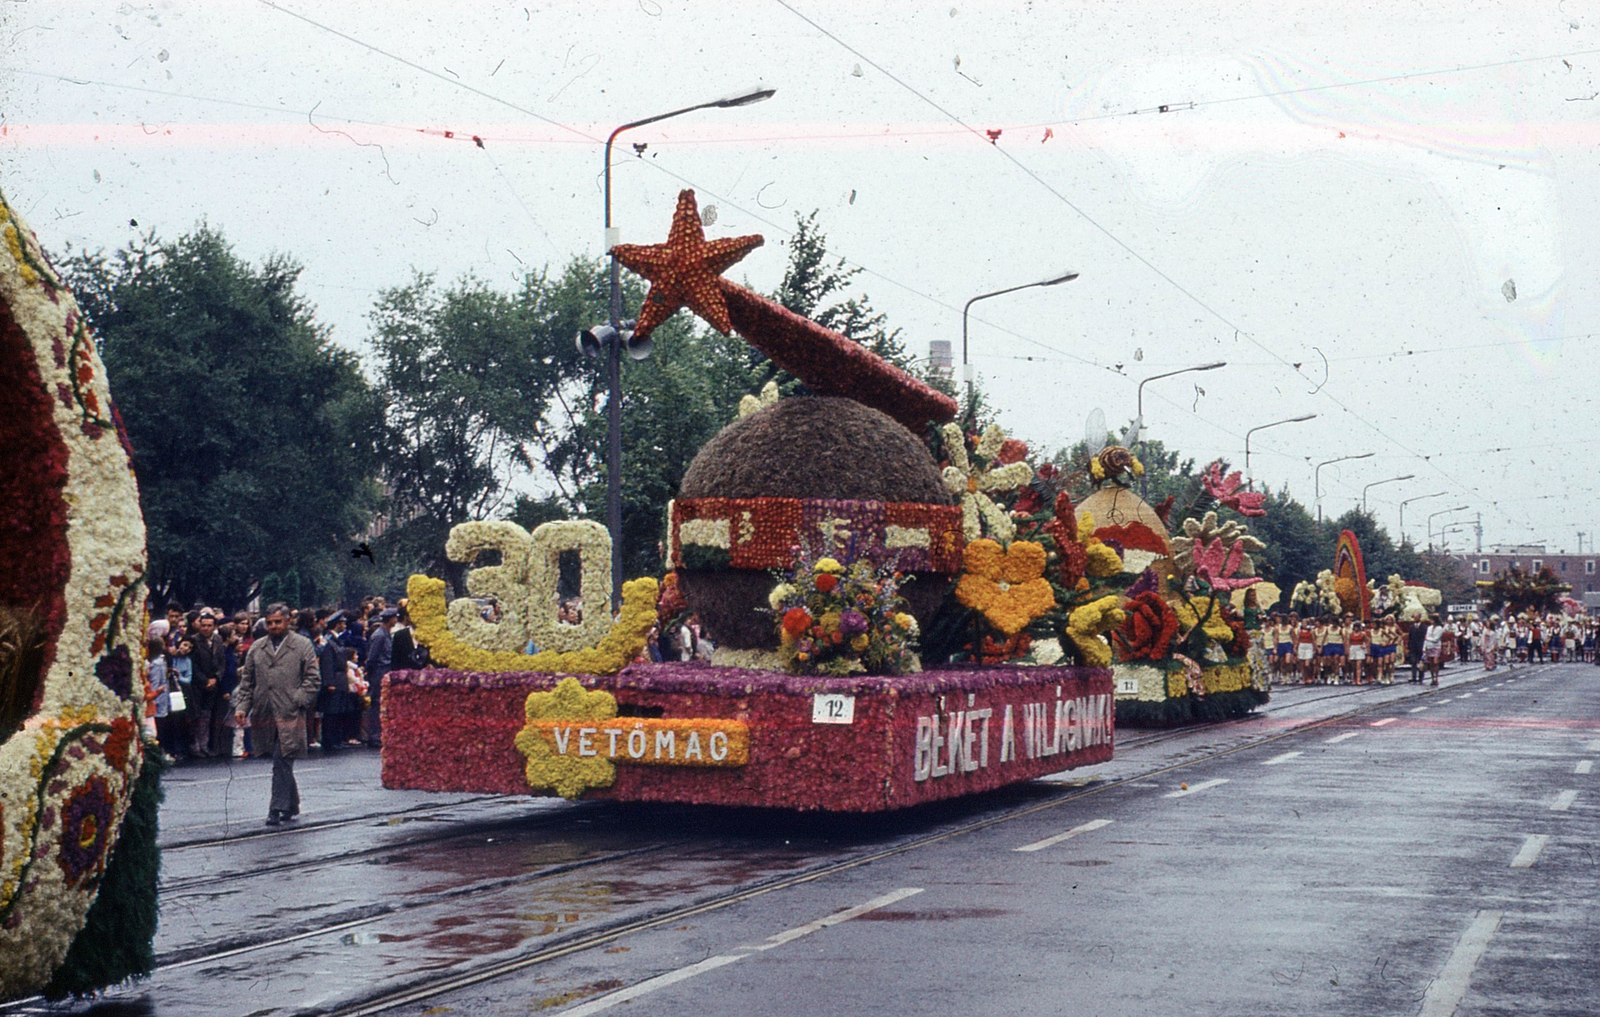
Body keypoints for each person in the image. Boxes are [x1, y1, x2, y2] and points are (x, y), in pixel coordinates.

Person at [233, 603, 320, 826]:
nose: (273, 626)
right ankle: (292, 804)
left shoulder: (302, 645)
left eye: (277, 622)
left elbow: (312, 679)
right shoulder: (257, 647)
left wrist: (298, 699)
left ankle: (276, 808)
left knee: (282, 758)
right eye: (269, 622)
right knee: (279, 759)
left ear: (287, 621)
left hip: (290, 712)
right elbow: (247, 682)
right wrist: (242, 707)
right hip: (264, 711)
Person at [316, 611, 357, 750]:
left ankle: (336, 739)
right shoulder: (329, 641)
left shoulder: (336, 640)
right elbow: (327, 663)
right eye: (342, 623)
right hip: (334, 680)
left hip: (340, 679)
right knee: (331, 712)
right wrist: (329, 682)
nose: (344, 625)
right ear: (336, 624)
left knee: (339, 711)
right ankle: (329, 740)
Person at [187, 610, 225, 757]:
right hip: (198, 684)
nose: (205, 628)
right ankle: (195, 745)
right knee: (196, 715)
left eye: (209, 625)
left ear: (214, 626)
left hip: (213, 683)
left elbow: (222, 662)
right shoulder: (194, 640)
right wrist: (204, 680)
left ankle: (205, 744)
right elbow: (193, 665)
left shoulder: (218, 640)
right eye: (203, 625)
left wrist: (216, 678)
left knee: (207, 715)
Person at [363, 607, 397, 748]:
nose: (396, 619)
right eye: (394, 617)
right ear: (389, 619)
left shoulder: (386, 634)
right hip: (379, 672)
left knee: (381, 703)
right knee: (377, 704)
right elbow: (372, 657)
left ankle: (379, 733)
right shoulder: (380, 635)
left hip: (384, 671)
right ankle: (375, 735)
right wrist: (370, 674)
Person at [1423, 615, 1446, 685]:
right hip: (1429, 647)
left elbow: (1436, 639)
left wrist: (1428, 638)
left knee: (1435, 662)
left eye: (1432, 620)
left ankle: (1436, 677)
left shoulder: (1440, 629)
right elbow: (1426, 638)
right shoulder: (1429, 628)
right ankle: (1432, 677)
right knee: (1431, 663)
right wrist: (1424, 648)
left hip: (1436, 647)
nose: (1431, 621)